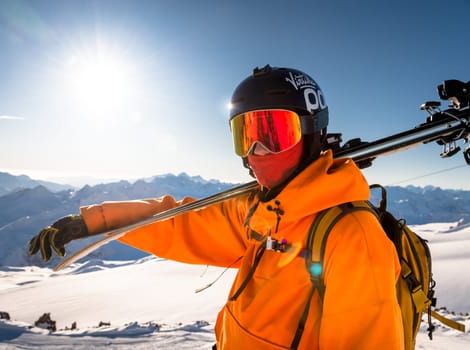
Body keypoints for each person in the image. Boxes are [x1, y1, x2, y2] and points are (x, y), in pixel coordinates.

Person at [29, 65, 405, 349]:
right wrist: (94, 221)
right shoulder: (263, 211)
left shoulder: (352, 236)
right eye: (246, 136)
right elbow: (180, 223)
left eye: (273, 134)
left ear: (310, 133)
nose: (256, 153)